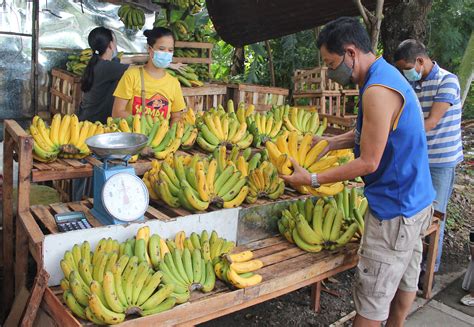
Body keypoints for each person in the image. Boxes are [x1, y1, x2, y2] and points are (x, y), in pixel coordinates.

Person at [282, 17, 435, 327]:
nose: (329, 71)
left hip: (394, 212)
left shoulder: (376, 91)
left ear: (350, 53)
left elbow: (369, 162)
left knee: (372, 297)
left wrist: (311, 180)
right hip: (417, 202)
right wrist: (329, 143)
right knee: (405, 280)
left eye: (330, 62)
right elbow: (373, 132)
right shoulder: (387, 76)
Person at [394, 40, 463, 283]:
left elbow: (431, 122)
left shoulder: (448, 80)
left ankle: (429, 270)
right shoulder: (412, 82)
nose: (406, 73)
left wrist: (395, 137)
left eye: (407, 67)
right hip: (418, 159)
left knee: (435, 216)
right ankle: (412, 263)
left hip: (440, 162)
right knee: (414, 212)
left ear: (421, 61)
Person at [112, 27, 186, 124]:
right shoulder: (132, 75)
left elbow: (176, 116)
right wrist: (144, 124)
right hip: (133, 136)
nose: (166, 53)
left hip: (160, 137)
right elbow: (117, 112)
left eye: (170, 50)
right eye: (161, 49)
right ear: (149, 49)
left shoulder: (174, 83)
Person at [78, 27, 148, 124]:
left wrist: (152, 56)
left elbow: (132, 59)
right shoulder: (107, 67)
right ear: (110, 45)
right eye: (115, 42)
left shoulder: (99, 62)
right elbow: (140, 71)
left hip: (86, 116)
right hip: (94, 122)